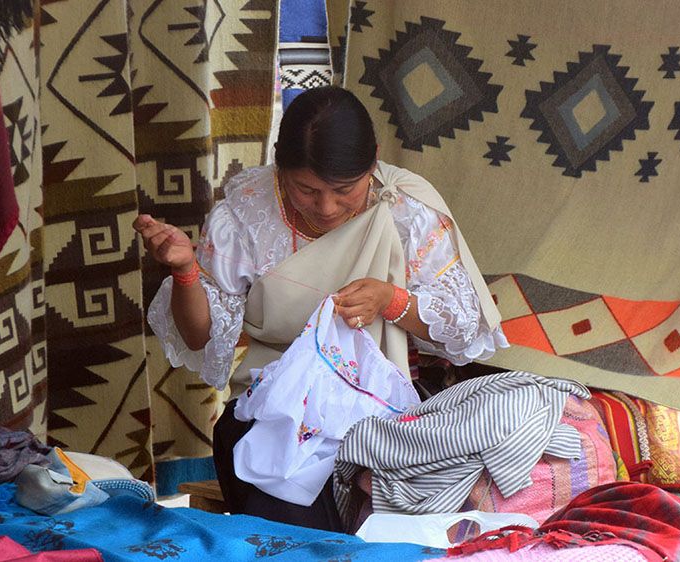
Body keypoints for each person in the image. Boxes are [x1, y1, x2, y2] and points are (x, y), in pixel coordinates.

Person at [135, 86, 507, 531]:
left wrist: (392, 301)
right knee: (269, 465)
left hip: (393, 397)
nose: (326, 207)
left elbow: (463, 326)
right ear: (279, 165)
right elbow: (200, 337)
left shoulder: (407, 208)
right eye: (306, 190)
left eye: (344, 190)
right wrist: (185, 273)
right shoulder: (245, 214)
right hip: (275, 402)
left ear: (373, 162)